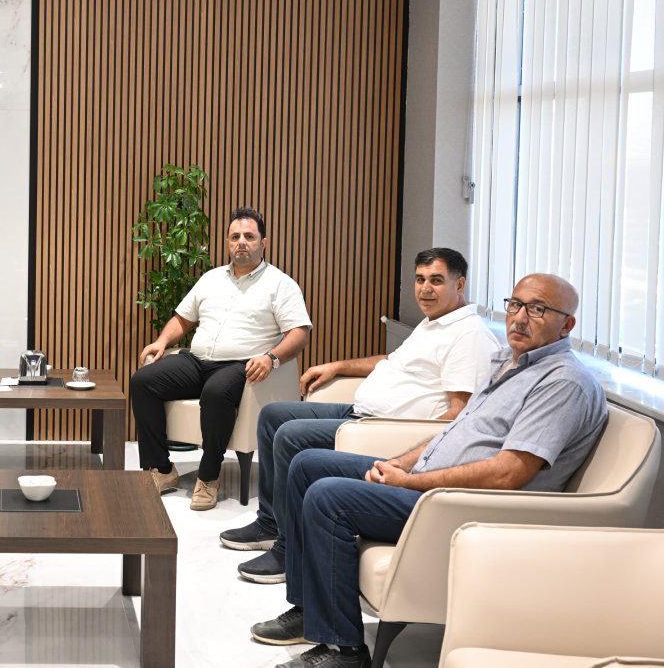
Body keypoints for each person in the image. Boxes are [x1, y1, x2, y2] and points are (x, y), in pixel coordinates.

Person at [250, 273, 608, 668]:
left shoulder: (563, 383)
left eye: (537, 309)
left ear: (567, 325)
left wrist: (411, 481)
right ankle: (311, 611)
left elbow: (508, 474)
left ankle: (344, 652)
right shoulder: (508, 363)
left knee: (326, 497)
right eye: (515, 304)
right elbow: (455, 431)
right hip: (427, 481)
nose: (520, 318)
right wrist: (400, 463)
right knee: (307, 466)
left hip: (461, 505)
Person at [221, 248, 498, 585]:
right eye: (420, 279)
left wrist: (414, 453)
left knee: (290, 435)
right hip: (361, 412)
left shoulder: (469, 335)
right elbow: (391, 361)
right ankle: (270, 522)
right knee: (272, 416)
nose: (425, 289)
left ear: (460, 284)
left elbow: (459, 414)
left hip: (381, 428)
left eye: (436, 281)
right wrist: (338, 366)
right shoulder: (434, 323)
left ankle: (288, 549)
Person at [129, 207, 312, 511]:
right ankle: (162, 469)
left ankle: (208, 477)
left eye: (249, 236)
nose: (241, 242)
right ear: (227, 242)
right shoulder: (210, 279)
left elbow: (299, 333)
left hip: (242, 366)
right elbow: (183, 319)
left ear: (263, 242)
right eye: (235, 236)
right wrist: (161, 341)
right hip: (197, 361)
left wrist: (271, 358)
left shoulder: (280, 284)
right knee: (143, 381)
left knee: (216, 393)